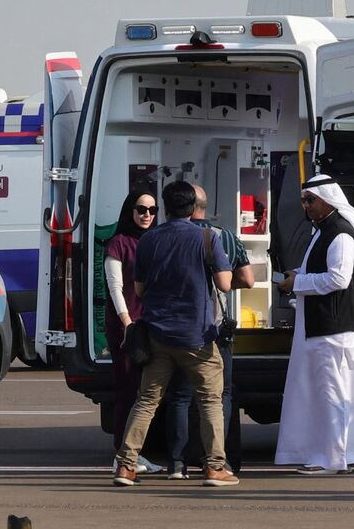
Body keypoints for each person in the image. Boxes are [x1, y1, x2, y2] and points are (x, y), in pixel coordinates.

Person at [112, 181, 238, 488]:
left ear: (165, 209)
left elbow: (139, 289)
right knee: (210, 400)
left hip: (157, 335)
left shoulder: (149, 241)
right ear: (194, 208)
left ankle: (126, 466)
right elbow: (224, 284)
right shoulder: (207, 238)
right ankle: (215, 467)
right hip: (197, 336)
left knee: (146, 401)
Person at [274, 175, 354, 476]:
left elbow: (338, 278)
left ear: (327, 200)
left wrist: (298, 283)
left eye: (310, 200)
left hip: (335, 329)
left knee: (331, 393)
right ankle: (352, 453)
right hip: (337, 327)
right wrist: (298, 274)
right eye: (303, 200)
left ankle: (329, 458)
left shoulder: (341, 234)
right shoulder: (325, 231)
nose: (305, 206)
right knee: (345, 392)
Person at [164, 184, 257, 477]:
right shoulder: (225, 236)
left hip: (179, 325)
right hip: (215, 327)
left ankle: (177, 462)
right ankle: (217, 459)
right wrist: (221, 284)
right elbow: (247, 279)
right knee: (221, 394)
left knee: (179, 395)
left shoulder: (169, 236)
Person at [101, 191, 162, 475]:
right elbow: (115, 288)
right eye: (141, 209)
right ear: (130, 210)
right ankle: (121, 455)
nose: (147, 214)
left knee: (144, 393)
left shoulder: (154, 240)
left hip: (150, 324)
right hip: (127, 328)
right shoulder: (118, 243)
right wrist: (128, 325)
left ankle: (135, 454)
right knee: (127, 391)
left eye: (152, 209)